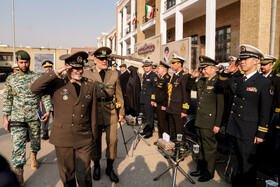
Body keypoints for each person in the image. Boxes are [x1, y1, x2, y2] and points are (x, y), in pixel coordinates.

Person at [31, 51, 96, 187]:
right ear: (68, 68)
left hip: (84, 136)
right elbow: (35, 88)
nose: (79, 71)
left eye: (81, 67)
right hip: (63, 137)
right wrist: (56, 72)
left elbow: (93, 113)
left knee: (84, 174)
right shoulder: (57, 83)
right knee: (68, 176)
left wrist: (93, 136)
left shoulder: (90, 85)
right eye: (75, 68)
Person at [218, 44, 273, 186]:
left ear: (256, 61)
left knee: (247, 168)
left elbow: (265, 110)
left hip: (249, 131)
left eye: (246, 59)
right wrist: (227, 71)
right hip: (234, 128)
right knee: (235, 164)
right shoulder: (236, 79)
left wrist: (261, 133)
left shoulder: (264, 82)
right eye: (241, 59)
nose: (242, 62)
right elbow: (218, 87)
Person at [2, 50, 53, 187]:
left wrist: (48, 110)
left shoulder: (37, 77)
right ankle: (19, 175)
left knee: (36, 140)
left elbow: (45, 95)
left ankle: (33, 156)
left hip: (34, 117)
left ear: (29, 62)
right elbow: (7, 99)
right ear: (17, 63)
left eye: (26, 62)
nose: (24, 65)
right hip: (17, 117)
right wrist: (5, 117)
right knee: (18, 146)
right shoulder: (11, 79)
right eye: (21, 62)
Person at [83, 47, 124, 183]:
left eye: (106, 59)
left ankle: (110, 167)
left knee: (112, 141)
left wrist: (121, 112)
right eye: (101, 59)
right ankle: (96, 166)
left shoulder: (114, 74)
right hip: (94, 112)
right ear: (94, 59)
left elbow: (119, 95)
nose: (104, 61)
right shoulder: (87, 74)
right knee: (95, 141)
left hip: (111, 112)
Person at [188, 56, 224, 182]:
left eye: (205, 68)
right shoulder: (202, 81)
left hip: (210, 121)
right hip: (199, 120)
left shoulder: (218, 82)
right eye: (202, 68)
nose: (203, 71)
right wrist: (193, 76)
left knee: (209, 148)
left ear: (214, 68)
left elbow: (220, 106)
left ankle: (208, 172)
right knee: (201, 146)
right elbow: (190, 87)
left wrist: (217, 124)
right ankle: (200, 169)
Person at [166, 54, 190, 141]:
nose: (171, 65)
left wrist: (184, 110)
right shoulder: (174, 76)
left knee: (179, 130)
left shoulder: (184, 76)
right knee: (172, 130)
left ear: (180, 64)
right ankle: (173, 147)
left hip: (179, 109)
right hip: (171, 107)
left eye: (174, 63)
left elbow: (186, 94)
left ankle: (180, 149)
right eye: (172, 63)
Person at [151, 61, 170, 138]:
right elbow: (156, 91)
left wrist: (165, 105)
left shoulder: (167, 79)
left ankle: (165, 140)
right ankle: (160, 139)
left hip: (163, 105)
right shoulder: (160, 78)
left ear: (163, 70)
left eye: (159, 69)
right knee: (159, 123)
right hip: (158, 104)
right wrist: (154, 101)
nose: (157, 70)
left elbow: (168, 94)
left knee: (163, 124)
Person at [140, 59, 157, 139]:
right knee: (145, 116)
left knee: (150, 117)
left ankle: (149, 132)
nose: (146, 68)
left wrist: (153, 100)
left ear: (151, 67)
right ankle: (145, 129)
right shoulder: (144, 75)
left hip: (149, 100)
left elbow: (154, 89)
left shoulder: (153, 75)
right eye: (144, 67)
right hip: (144, 99)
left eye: (147, 66)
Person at [40, 60, 54, 140]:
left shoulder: (56, 76)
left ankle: (56, 134)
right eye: (46, 67)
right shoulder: (41, 77)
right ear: (44, 68)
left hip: (55, 100)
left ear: (52, 67)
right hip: (45, 100)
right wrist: (40, 100)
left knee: (56, 119)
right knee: (44, 118)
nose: (48, 68)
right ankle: (45, 134)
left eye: (49, 67)